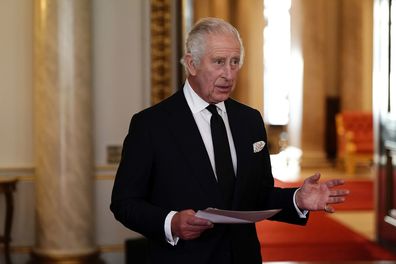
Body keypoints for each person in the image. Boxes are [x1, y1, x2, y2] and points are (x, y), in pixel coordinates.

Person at [110, 17, 349, 264]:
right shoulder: (151, 125)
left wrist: (297, 199)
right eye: (219, 62)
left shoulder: (249, 120)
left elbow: (258, 195)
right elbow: (124, 202)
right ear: (192, 64)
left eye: (235, 62)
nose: (228, 74)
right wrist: (171, 222)